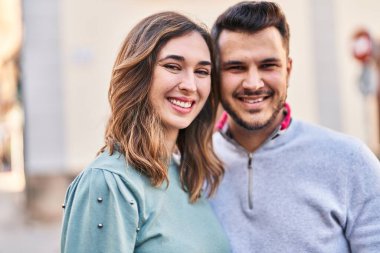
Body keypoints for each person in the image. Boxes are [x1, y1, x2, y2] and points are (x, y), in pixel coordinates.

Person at [209, 1, 380, 252]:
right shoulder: (194, 166)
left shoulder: (351, 161)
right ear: (215, 74)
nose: (254, 83)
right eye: (236, 67)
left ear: (288, 70)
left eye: (268, 65)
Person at [61, 11, 231, 253]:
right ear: (139, 74)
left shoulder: (187, 175)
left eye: (202, 72)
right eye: (173, 66)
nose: (190, 85)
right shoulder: (109, 182)